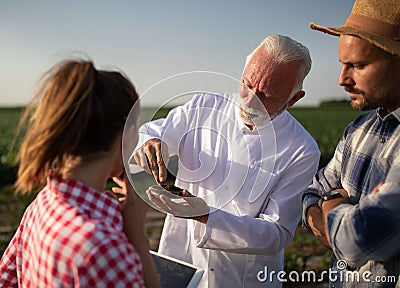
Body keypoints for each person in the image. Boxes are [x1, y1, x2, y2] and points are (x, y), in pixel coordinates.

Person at [132, 34, 320, 287]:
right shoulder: (204, 105)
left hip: (242, 278)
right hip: (181, 258)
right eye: (247, 84)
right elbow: (153, 131)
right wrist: (149, 142)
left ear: (294, 99)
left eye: (266, 96)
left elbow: (277, 233)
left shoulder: (302, 150)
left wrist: (206, 216)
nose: (250, 100)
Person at [0, 59, 161, 287]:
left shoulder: (41, 205)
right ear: (129, 135)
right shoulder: (105, 248)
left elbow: (6, 279)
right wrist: (138, 240)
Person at [302, 0, 400, 287]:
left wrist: (330, 203)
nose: (342, 79)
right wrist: (327, 216)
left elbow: (359, 239)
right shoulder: (358, 129)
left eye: (357, 65)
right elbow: (310, 191)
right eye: (342, 64)